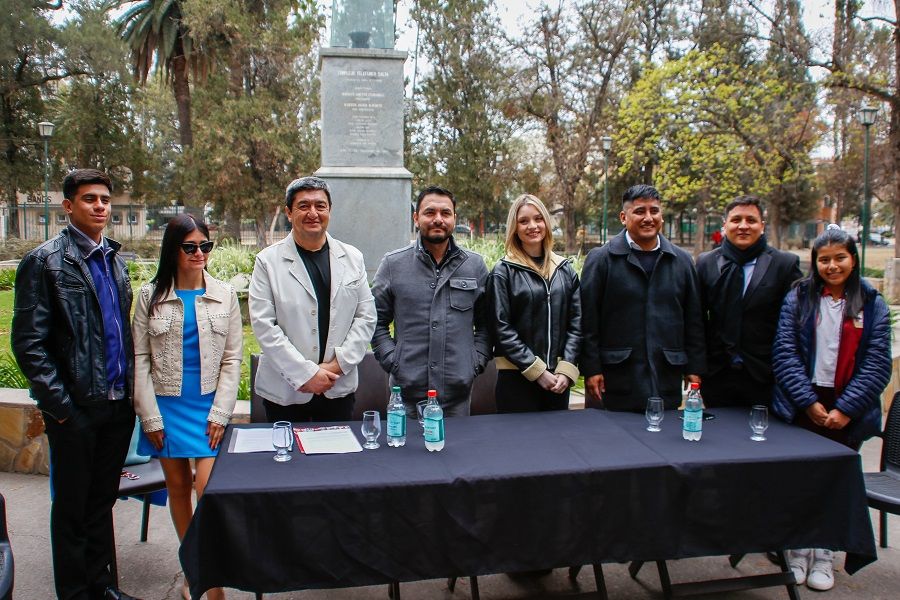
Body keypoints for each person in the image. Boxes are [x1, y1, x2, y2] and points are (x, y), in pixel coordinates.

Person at [11, 169, 140, 600]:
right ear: (68, 206)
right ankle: (75, 592)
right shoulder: (45, 261)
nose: (100, 206)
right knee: (72, 510)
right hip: (76, 409)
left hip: (117, 406)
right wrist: (63, 408)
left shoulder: (115, 262)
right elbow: (30, 345)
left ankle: (103, 587)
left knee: (101, 504)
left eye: (104, 199)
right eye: (89, 199)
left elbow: (119, 332)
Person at [772, 225, 891, 592]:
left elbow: (877, 363)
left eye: (839, 258)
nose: (832, 265)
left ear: (853, 260)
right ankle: (798, 549)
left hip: (847, 410)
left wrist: (846, 409)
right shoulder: (799, 298)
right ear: (815, 263)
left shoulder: (872, 303)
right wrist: (808, 403)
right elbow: (785, 352)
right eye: (824, 259)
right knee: (799, 479)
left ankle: (824, 552)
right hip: (803, 405)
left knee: (834, 482)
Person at [132, 215, 242, 600]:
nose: (199, 254)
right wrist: (149, 415)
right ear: (173, 250)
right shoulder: (150, 296)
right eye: (190, 247)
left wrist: (220, 413)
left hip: (207, 408)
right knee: (178, 488)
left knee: (207, 490)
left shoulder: (225, 295)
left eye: (205, 247)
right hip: (166, 405)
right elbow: (140, 359)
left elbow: (232, 360)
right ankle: (195, 572)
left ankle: (209, 574)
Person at [249, 176, 376, 422]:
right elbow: (264, 326)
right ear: (288, 212)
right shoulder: (268, 262)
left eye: (320, 206)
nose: (313, 213)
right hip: (286, 391)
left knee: (336, 458)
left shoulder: (352, 258)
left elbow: (366, 316)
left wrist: (335, 366)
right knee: (288, 456)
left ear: (329, 210)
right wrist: (306, 374)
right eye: (303, 206)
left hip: (336, 387)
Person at [580, 184, 705, 411]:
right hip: (616, 378)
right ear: (623, 216)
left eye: (654, 211)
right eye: (640, 211)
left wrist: (694, 366)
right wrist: (591, 368)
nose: (648, 218)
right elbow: (588, 320)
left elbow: (693, 318)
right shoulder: (601, 260)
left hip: (666, 375)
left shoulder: (682, 261)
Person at [372, 185, 491, 417]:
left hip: (457, 396)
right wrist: (393, 360)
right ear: (416, 218)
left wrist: (474, 362)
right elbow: (374, 322)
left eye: (445, 213)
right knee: (404, 453)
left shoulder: (474, 266)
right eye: (430, 212)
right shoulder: (393, 265)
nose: (438, 219)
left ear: (454, 218)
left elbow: (486, 324)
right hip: (405, 396)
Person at [696, 196, 801, 408]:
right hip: (716, 375)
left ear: (762, 226)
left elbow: (795, 323)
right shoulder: (706, 262)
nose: (743, 226)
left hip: (764, 375)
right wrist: (696, 366)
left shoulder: (784, 264)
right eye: (736, 220)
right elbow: (696, 319)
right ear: (725, 225)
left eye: (751, 220)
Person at [488, 194, 581, 412]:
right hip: (516, 378)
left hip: (558, 380)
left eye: (538, 219)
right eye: (524, 221)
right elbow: (500, 328)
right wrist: (536, 371)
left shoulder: (565, 270)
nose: (533, 226)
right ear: (514, 227)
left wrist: (566, 369)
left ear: (546, 223)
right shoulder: (503, 272)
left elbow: (577, 324)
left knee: (557, 444)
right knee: (519, 444)